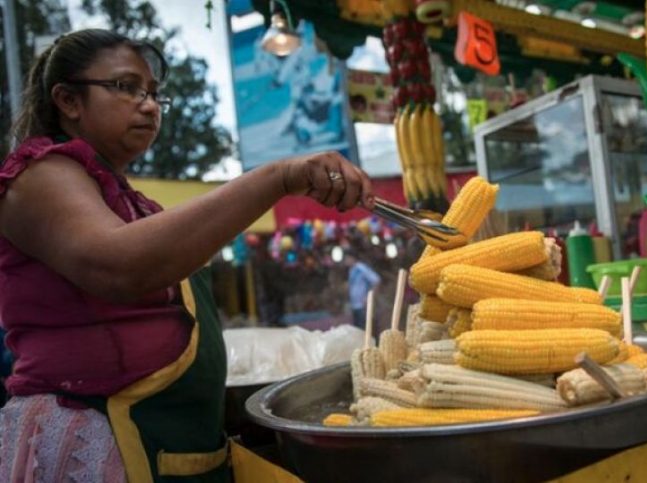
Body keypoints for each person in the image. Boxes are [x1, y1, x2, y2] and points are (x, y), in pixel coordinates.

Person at [0, 29, 374, 482]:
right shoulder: (38, 175)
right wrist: (277, 177)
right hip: (100, 438)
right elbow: (119, 266)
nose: (149, 105)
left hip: (172, 444)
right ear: (68, 100)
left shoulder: (132, 201)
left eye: (155, 94)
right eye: (126, 87)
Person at [345, 249, 381, 330]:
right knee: (357, 330)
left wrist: (369, 297)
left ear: (352, 258)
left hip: (363, 305)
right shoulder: (351, 270)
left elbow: (376, 280)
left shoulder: (360, 268)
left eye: (347, 258)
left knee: (365, 329)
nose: (345, 261)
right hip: (355, 305)